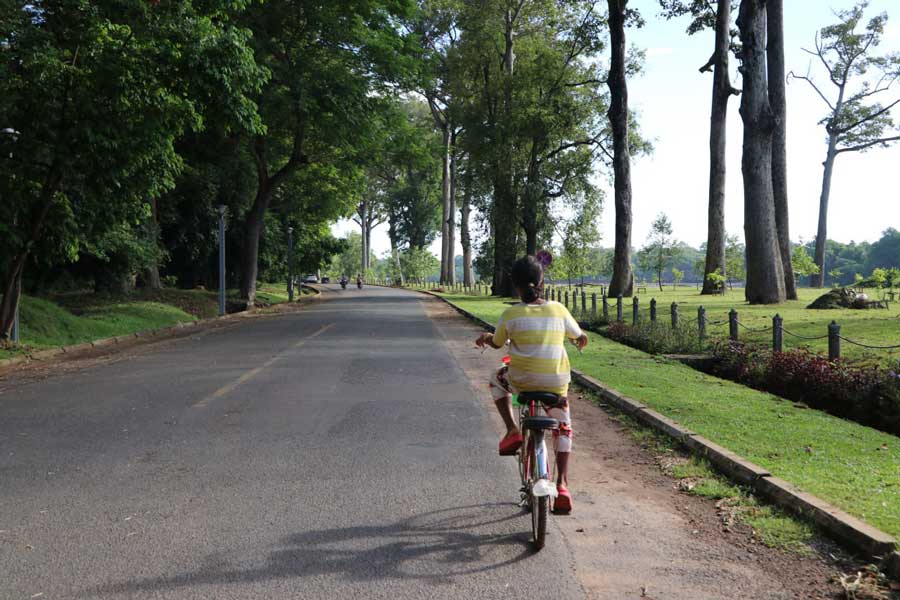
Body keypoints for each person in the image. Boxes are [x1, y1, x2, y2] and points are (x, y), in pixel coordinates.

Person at [476, 255, 588, 513]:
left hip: (521, 382)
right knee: (563, 427)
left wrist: (487, 338)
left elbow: (496, 343)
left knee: (495, 378)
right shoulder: (558, 310)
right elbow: (577, 335)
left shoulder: (511, 314)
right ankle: (561, 485)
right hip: (555, 385)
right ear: (542, 282)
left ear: (515, 285)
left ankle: (512, 430)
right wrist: (580, 339)